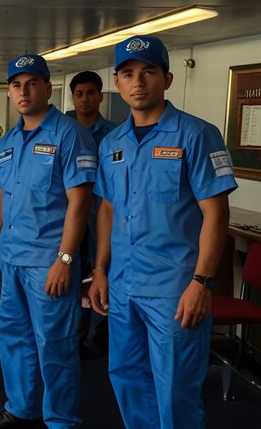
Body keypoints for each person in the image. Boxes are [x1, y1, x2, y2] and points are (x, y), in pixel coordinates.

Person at [88, 35, 238, 428]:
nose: (138, 82)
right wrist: (100, 270)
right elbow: (106, 208)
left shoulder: (196, 135)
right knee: (127, 379)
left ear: (167, 79)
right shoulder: (112, 144)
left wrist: (201, 282)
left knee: (175, 390)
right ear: (117, 84)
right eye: (128, 74)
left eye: (148, 72)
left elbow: (216, 214)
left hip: (175, 289)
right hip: (122, 285)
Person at [0, 55, 97, 429]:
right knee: (13, 336)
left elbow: (80, 201)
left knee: (55, 344)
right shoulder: (10, 139)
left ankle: (61, 419)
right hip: (12, 258)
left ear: (47, 88)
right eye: (16, 85)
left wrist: (65, 259)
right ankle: (21, 407)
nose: (23, 91)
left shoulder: (68, 133)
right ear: (10, 92)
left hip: (49, 261)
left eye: (32, 83)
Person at [68, 70, 117, 356]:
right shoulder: (64, 133)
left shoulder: (113, 136)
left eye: (90, 93)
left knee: (100, 271)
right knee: (73, 273)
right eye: (79, 93)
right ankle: (76, 334)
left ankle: (101, 329)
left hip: (102, 219)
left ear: (100, 96)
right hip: (72, 218)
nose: (84, 99)